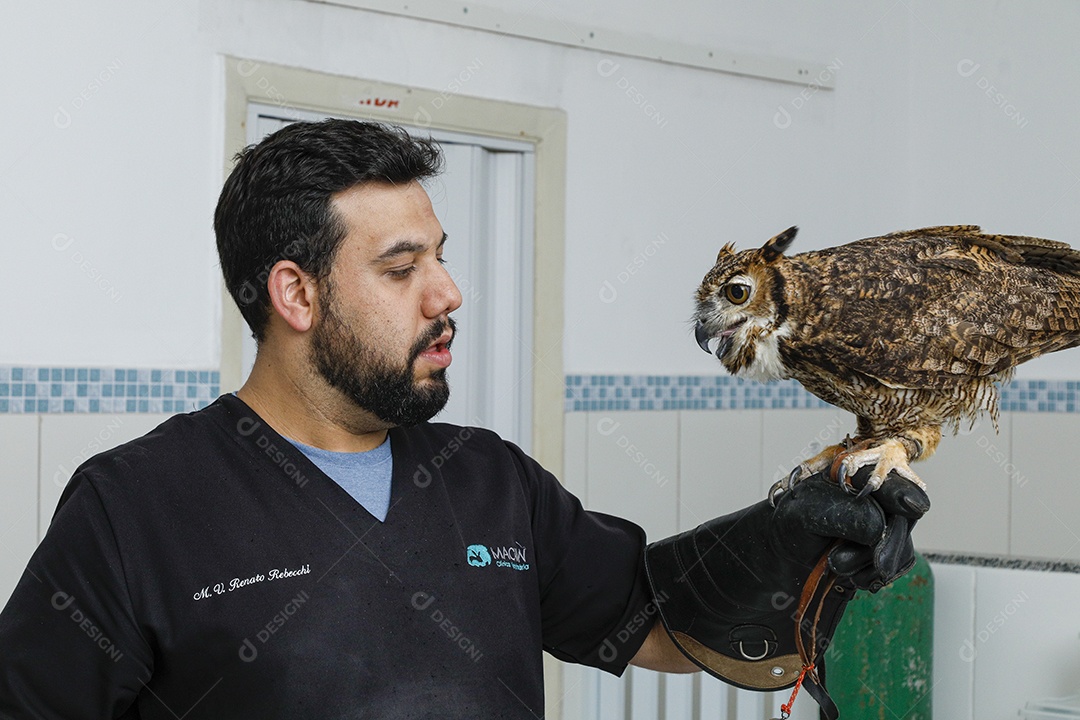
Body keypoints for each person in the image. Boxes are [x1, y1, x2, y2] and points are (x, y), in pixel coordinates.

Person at [0, 120, 928, 719]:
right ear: (295, 293)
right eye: (402, 270)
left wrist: (789, 543)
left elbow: (653, 617)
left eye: (439, 258)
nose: (449, 293)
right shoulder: (135, 509)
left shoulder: (489, 481)